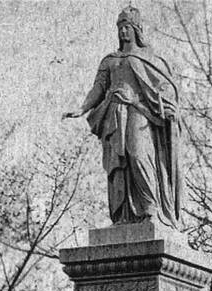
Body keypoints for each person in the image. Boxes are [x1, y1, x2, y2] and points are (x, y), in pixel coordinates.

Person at [63, 5, 184, 227]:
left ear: (136, 29)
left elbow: (164, 86)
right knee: (121, 164)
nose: (123, 32)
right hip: (115, 114)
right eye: (120, 28)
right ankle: (123, 216)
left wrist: (167, 108)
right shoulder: (109, 60)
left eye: (127, 27)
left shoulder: (148, 58)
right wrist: (82, 109)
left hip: (139, 112)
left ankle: (150, 209)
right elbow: (98, 88)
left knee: (138, 155)